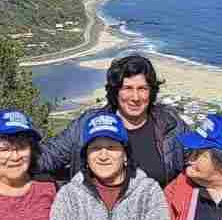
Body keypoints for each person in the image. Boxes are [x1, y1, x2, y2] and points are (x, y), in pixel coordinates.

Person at [37, 54, 189, 185]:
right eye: (127, 88)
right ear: (115, 91)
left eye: (142, 89)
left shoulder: (170, 123)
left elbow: (198, 158)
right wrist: (17, 157)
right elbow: (49, 156)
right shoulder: (88, 123)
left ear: (151, 92)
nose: (135, 97)